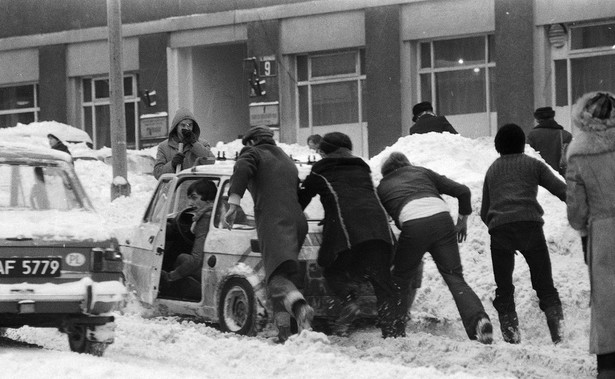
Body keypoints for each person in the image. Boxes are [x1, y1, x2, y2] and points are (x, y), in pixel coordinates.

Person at [377, 152, 493, 344]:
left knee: (400, 279)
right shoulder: (422, 173)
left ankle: (393, 332)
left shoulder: (382, 187)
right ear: (407, 164)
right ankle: (479, 321)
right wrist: (463, 219)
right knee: (455, 277)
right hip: (442, 220)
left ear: (385, 172)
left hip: (413, 225)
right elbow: (463, 191)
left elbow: (380, 219)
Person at [298, 132, 405, 339]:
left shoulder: (320, 170)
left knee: (332, 270)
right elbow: (355, 194)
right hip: (378, 228)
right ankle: (393, 334)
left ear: (325, 151)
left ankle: (349, 301)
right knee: (383, 284)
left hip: (347, 232)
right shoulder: (362, 167)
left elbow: (300, 201)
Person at [223, 125, 313, 343]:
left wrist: (233, 203)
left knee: (274, 281)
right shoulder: (285, 159)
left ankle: (301, 308)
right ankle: (285, 334)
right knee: (283, 279)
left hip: (275, 222)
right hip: (298, 221)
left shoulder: (253, 153)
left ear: (252, 141)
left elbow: (242, 168)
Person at [480, 123, 566, 345]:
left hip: (500, 231)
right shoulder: (533, 165)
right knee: (545, 285)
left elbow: (484, 211)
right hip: (530, 228)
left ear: (498, 146)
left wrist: (500, 227)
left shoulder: (492, 170)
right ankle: (559, 336)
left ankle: (512, 338)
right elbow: (561, 190)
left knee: (504, 288)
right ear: (522, 144)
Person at [565, 91, 615, 378]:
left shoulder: (578, 154)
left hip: (604, 235)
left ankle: (608, 368)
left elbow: (576, 213)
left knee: (607, 302)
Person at [160, 179, 217, 299]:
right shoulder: (219, 212)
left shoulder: (205, 219)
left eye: (194, 198)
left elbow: (195, 260)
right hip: (218, 266)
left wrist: (171, 276)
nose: (190, 203)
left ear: (208, 198)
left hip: (208, 270)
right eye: (189, 198)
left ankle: (170, 292)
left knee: (182, 258)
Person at [153, 108, 215, 179]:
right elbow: (157, 173)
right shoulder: (164, 147)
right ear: (176, 127)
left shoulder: (202, 144)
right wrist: (172, 165)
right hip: (174, 188)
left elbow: (211, 162)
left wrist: (194, 144)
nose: (187, 128)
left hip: (195, 188)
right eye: (183, 125)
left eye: (190, 125)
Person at [526, 106, 572, 176]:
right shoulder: (566, 135)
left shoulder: (532, 135)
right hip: (560, 177)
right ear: (552, 117)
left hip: (540, 178)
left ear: (538, 120)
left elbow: (528, 158)